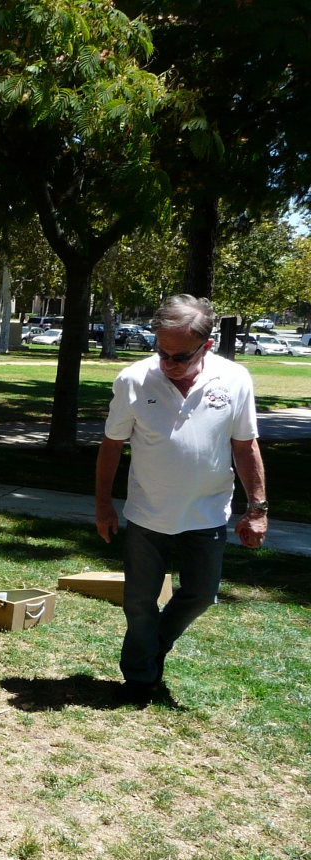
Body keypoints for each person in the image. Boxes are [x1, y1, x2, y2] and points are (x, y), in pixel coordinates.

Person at [95, 294, 268, 703]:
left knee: (201, 594)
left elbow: (246, 447)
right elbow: (111, 445)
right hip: (146, 511)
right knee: (139, 602)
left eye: (180, 356)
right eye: (162, 352)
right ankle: (139, 678)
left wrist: (257, 508)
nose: (168, 363)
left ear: (207, 345)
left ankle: (152, 648)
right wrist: (103, 504)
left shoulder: (235, 379)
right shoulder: (134, 379)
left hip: (207, 511)